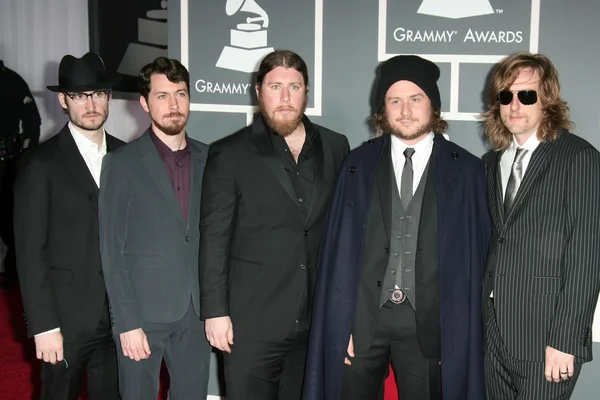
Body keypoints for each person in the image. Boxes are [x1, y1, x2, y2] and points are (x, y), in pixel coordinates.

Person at [303, 55, 491, 400]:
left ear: (433, 105)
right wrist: (340, 322)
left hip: (429, 328)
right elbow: (338, 255)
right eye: (395, 100)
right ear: (383, 109)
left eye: (415, 99)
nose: (405, 110)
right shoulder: (357, 165)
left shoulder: (466, 171)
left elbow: (475, 263)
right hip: (362, 322)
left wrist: (457, 333)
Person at [199, 49, 349, 400]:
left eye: (294, 87)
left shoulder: (336, 146)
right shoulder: (229, 153)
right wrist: (215, 313)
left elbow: (343, 232)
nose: (285, 97)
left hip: (314, 322)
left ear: (306, 91)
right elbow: (215, 238)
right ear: (258, 91)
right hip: (251, 324)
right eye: (275, 86)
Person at [481, 52, 600, 399]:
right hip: (493, 335)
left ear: (547, 99)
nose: (514, 105)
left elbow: (587, 256)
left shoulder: (578, 157)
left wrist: (566, 340)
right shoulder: (492, 164)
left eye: (527, 95)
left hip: (547, 338)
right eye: (506, 96)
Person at [99, 57, 211, 399]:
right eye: (162, 96)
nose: (174, 105)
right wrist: (126, 323)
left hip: (197, 315)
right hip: (143, 316)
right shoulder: (121, 164)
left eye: (180, 94)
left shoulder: (213, 159)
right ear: (145, 103)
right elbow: (111, 251)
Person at [13, 52, 122, 400]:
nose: (90, 104)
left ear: (109, 97)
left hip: (120, 320)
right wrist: (44, 326)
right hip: (65, 321)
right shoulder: (39, 165)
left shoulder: (129, 158)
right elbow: (30, 254)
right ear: (63, 100)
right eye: (79, 95)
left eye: (98, 94)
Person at [0, 60, 41, 285]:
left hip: (6, 162)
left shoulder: (11, 80)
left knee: (10, 222)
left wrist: (24, 153)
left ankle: (14, 275)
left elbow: (32, 120)